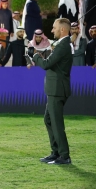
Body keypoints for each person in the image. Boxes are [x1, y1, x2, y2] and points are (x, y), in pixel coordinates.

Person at [32, 18, 72, 165]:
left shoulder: (63, 46)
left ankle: (64, 156)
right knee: (48, 120)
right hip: (54, 89)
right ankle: (55, 152)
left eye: (54, 28)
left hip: (57, 90)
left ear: (62, 30)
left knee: (56, 123)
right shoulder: (62, 45)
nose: (52, 30)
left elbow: (47, 64)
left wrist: (35, 56)